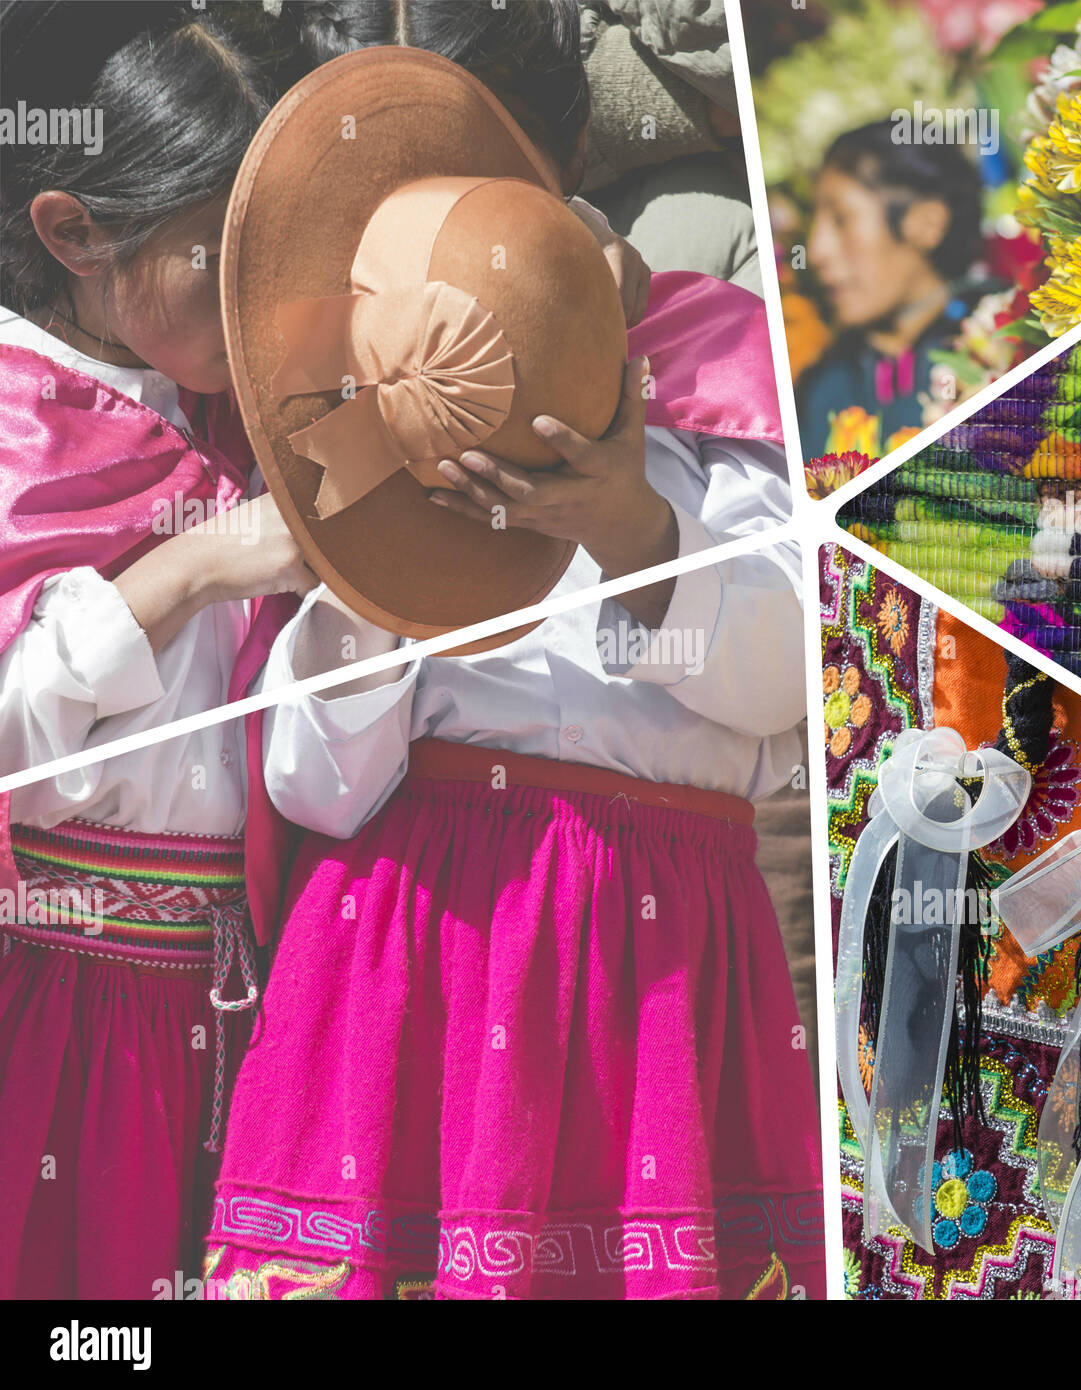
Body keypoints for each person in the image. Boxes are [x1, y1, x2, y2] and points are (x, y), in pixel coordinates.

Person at [204, 1, 823, 1303]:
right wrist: (375, 574)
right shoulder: (372, 431)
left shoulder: (725, 389)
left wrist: (632, 530)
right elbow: (316, 787)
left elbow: (782, 688)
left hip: (652, 959)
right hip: (415, 953)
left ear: (573, 180)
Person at [0, 0, 316, 1299]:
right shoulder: (14, 420)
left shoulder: (256, 417)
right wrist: (186, 571)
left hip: (236, 1010)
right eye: (217, 257)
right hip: (51, 1005)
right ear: (75, 230)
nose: (260, 299)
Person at [797, 120, 986, 457]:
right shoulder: (824, 388)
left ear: (927, 223)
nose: (816, 251)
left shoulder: (1002, 343)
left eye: (841, 219)